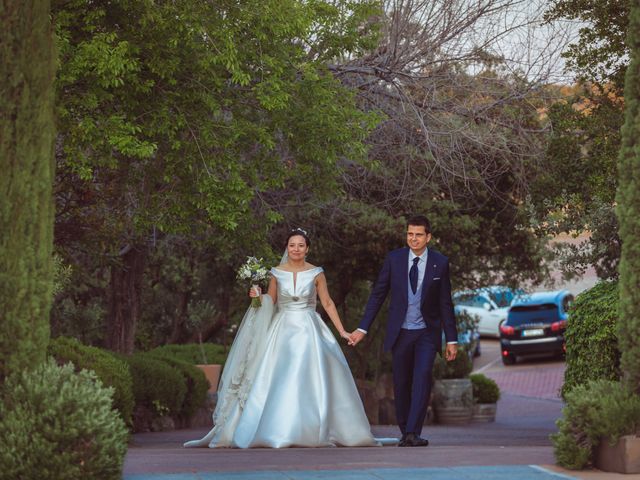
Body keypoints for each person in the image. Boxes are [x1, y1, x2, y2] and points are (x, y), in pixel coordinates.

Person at [185, 228, 380, 448]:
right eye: (292, 245)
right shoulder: (276, 272)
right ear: (287, 248)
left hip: (310, 329)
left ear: (307, 249)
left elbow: (327, 303)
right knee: (279, 375)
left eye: (300, 245)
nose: (296, 249)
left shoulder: (316, 273)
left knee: (312, 375)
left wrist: (342, 331)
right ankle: (278, 427)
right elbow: (271, 300)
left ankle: (313, 427)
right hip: (282, 328)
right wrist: (258, 297)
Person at [349, 215, 458, 447]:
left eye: (418, 234)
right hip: (401, 332)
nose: (413, 238)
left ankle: (412, 433)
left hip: (426, 333)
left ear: (428, 237)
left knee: (422, 377)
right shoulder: (394, 259)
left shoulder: (440, 262)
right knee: (401, 382)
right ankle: (404, 430)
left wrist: (452, 339)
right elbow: (378, 294)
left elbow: (445, 303)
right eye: (410, 234)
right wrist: (362, 328)